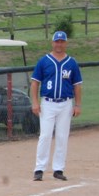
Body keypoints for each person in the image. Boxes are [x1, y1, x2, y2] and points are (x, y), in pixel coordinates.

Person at [30, 31, 82, 182]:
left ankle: (58, 169)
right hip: (48, 103)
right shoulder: (44, 61)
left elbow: (77, 85)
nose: (59, 44)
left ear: (65, 43)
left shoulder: (71, 63)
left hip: (65, 103)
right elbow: (35, 83)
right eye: (57, 41)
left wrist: (78, 104)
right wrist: (35, 102)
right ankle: (39, 168)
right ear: (52, 43)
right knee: (45, 135)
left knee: (62, 136)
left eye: (62, 41)